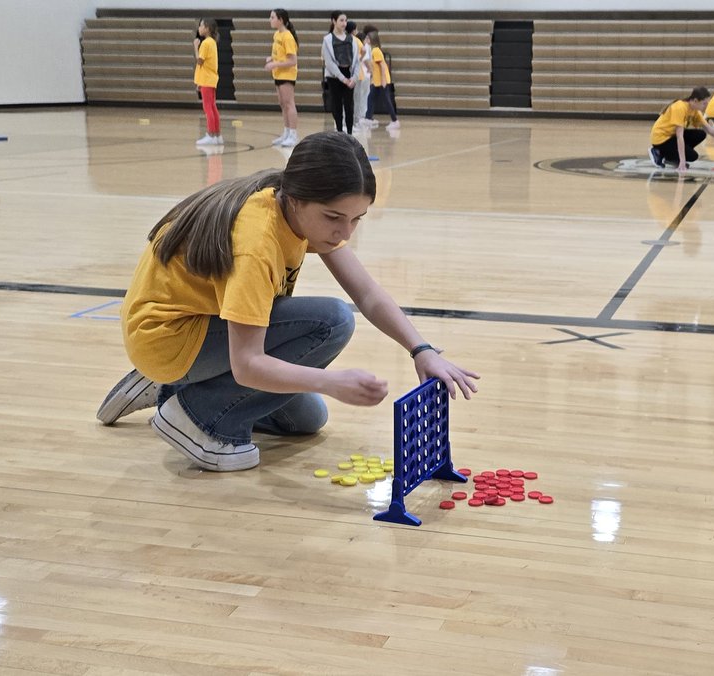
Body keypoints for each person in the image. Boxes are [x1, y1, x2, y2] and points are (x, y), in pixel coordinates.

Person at [97, 132, 480, 471]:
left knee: (307, 419)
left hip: (190, 328)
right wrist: (331, 381)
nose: (345, 231)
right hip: (168, 337)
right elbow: (247, 367)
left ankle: (170, 387)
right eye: (334, 217)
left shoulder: (291, 205)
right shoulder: (256, 243)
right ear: (296, 200)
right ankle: (197, 418)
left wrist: (421, 349)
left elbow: (366, 292)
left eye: (356, 219)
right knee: (331, 320)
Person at [648, 87, 714, 172]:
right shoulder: (680, 107)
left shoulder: (695, 111)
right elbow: (680, 136)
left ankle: (671, 157)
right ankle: (658, 152)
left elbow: (709, 129)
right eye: (704, 103)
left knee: (701, 134)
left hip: (671, 136)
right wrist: (682, 162)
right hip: (660, 139)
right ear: (695, 101)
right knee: (692, 156)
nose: (706, 106)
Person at [322, 11, 360, 134]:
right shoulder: (328, 39)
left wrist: (354, 78)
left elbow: (356, 60)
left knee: (349, 106)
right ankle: (339, 131)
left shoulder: (352, 39)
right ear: (334, 21)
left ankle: (349, 133)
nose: (344, 23)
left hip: (349, 74)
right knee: (337, 105)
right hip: (334, 76)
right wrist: (342, 78)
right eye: (341, 20)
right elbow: (329, 62)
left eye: (345, 20)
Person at [266, 9, 299, 148]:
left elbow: (292, 60)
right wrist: (272, 59)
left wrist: (275, 64)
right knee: (282, 104)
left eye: (272, 17)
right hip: (278, 73)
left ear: (280, 20)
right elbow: (280, 54)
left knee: (289, 103)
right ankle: (286, 132)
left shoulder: (288, 36)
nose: (270, 19)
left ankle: (293, 134)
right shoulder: (276, 35)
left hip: (287, 74)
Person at [193, 18, 222, 146]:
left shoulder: (205, 43)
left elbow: (200, 61)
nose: (199, 28)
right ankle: (217, 135)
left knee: (207, 107)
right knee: (212, 107)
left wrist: (195, 47)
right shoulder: (212, 42)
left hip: (207, 79)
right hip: (210, 78)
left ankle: (211, 134)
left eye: (201, 26)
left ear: (207, 28)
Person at [363, 28, 399, 129]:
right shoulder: (372, 50)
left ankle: (394, 120)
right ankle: (368, 119)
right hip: (377, 81)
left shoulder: (376, 51)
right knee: (371, 98)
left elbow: (383, 66)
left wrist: (383, 80)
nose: (366, 39)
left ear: (372, 39)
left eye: (367, 38)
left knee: (387, 100)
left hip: (382, 81)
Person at [346, 21, 372, 132]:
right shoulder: (355, 40)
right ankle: (356, 121)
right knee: (357, 99)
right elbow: (364, 55)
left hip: (353, 74)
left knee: (356, 99)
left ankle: (355, 120)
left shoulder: (346, 39)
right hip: (358, 74)